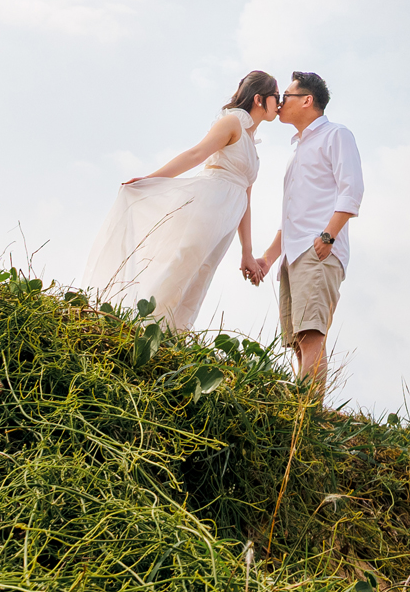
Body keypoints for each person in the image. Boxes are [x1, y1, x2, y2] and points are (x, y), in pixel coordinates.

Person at [82, 71, 277, 330]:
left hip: (226, 220)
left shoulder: (253, 145)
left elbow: (246, 201)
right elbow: (196, 154)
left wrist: (247, 252)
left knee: (199, 275)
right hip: (208, 204)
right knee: (180, 266)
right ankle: (142, 327)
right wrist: (151, 179)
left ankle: (170, 336)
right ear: (259, 99)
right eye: (277, 96)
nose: (281, 102)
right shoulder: (232, 123)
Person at [248, 71, 361, 391]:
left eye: (287, 96)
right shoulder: (298, 148)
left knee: (311, 334)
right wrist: (270, 258)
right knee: (298, 340)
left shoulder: (336, 135)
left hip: (318, 250)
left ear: (307, 100)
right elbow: (294, 215)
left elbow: (351, 190)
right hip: (293, 254)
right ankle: (301, 411)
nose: (280, 103)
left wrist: (328, 237)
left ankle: (307, 416)